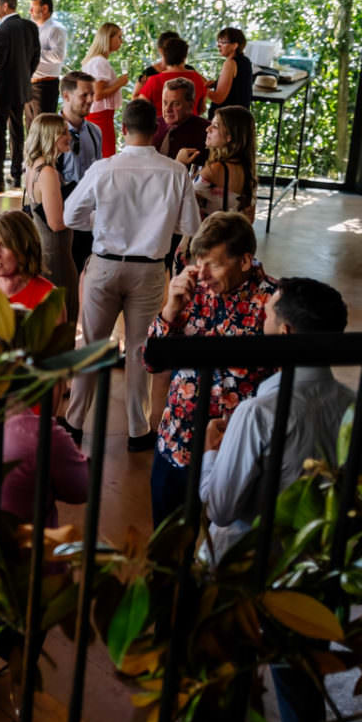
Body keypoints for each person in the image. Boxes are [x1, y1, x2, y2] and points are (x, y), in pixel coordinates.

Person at [195, 277, 362, 722]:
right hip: (316, 563)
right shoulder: (357, 407)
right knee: (302, 675)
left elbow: (220, 506)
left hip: (249, 566)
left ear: (284, 332)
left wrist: (211, 452)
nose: (260, 323)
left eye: (266, 317)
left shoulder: (258, 412)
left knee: (228, 674)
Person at [62, 98, 201, 451]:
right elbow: (190, 226)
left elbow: (70, 216)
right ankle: (138, 431)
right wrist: (155, 226)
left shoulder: (103, 168)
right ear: (156, 131)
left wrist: (100, 223)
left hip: (105, 264)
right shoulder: (175, 172)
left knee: (91, 345)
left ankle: (75, 423)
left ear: (122, 129)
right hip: (150, 270)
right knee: (142, 350)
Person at [145, 212, 275, 526]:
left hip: (236, 452)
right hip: (177, 439)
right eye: (198, 262)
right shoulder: (192, 290)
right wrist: (169, 310)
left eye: (214, 264)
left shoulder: (272, 304)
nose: (202, 274)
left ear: (245, 261)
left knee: (230, 547)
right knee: (167, 542)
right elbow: (153, 361)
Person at [22, 114, 80, 346]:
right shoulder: (47, 173)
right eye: (63, 132)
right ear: (49, 137)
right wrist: (87, 215)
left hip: (44, 250)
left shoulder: (32, 166)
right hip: (56, 255)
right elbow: (56, 222)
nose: (69, 137)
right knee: (62, 323)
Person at [0, 0, 40, 189]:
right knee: (17, 132)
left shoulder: (2, 31)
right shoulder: (30, 27)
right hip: (20, 88)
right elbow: (35, 58)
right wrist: (24, 77)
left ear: (5, 6)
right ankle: (16, 174)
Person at [57, 73, 104, 275]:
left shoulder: (95, 132)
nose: (91, 100)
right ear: (66, 96)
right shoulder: (50, 131)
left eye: (92, 95)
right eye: (84, 95)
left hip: (88, 219)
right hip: (60, 218)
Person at [185, 105, 260, 225]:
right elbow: (249, 219)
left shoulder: (215, 170)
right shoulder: (248, 172)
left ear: (229, 136)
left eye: (215, 126)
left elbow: (182, 205)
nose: (207, 129)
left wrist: (179, 164)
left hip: (207, 238)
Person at [79, 22, 127, 158]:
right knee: (107, 156)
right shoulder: (100, 62)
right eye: (119, 37)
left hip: (97, 115)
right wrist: (120, 83)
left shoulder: (94, 61)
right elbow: (98, 94)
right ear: (108, 38)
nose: (121, 42)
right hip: (101, 117)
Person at [135, 35, 210, 114]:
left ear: (165, 56)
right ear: (184, 56)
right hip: (192, 125)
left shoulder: (154, 81)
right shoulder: (197, 78)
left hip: (160, 125)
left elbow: (140, 109)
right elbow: (202, 108)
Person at [29, 0, 67, 116]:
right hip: (30, 85)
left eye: (33, 7)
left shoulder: (56, 29)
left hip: (44, 87)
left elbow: (58, 56)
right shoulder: (34, 28)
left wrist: (32, 53)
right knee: (31, 130)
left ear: (45, 9)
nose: (30, 11)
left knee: (43, 130)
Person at [156, 76, 211, 162]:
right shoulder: (151, 125)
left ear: (191, 105)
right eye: (165, 103)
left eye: (175, 104)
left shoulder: (207, 132)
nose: (167, 109)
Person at [211, 26, 255, 107]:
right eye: (218, 42)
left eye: (223, 42)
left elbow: (218, 98)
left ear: (234, 45)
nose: (218, 45)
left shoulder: (230, 63)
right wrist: (215, 83)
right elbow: (236, 86)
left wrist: (199, 86)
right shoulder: (245, 61)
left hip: (227, 117)